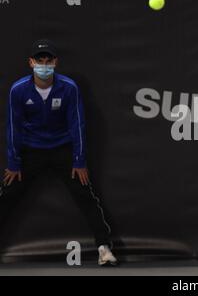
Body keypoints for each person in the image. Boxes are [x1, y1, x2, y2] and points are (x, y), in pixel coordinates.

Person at [0, 39, 118, 266]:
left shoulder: (69, 88)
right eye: (39, 60)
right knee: (7, 196)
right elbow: (13, 127)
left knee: (85, 194)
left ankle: (104, 249)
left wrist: (79, 160)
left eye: (48, 60)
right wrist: (14, 163)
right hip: (31, 152)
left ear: (55, 62)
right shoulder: (18, 90)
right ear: (31, 62)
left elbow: (78, 126)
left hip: (62, 150)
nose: (44, 65)